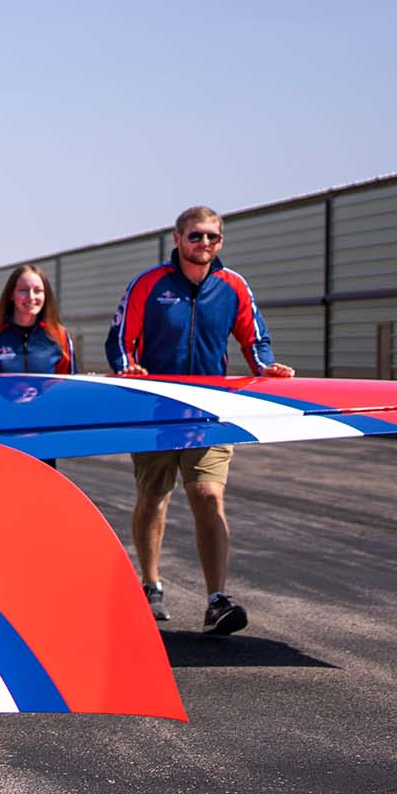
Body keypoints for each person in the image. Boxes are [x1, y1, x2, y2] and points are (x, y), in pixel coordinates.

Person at [106, 205, 294, 633]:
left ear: (221, 241)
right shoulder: (149, 285)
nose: (203, 244)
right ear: (177, 239)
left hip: (211, 410)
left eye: (211, 237)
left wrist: (265, 366)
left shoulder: (233, 286)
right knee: (154, 497)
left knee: (209, 494)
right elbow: (120, 339)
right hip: (155, 408)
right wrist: (128, 366)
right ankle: (151, 584)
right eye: (195, 236)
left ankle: (216, 600)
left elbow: (255, 337)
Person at [0, 263, 75, 374]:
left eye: (38, 291)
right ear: (11, 295)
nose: (31, 297)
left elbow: (71, 384)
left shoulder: (60, 335)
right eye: (24, 291)